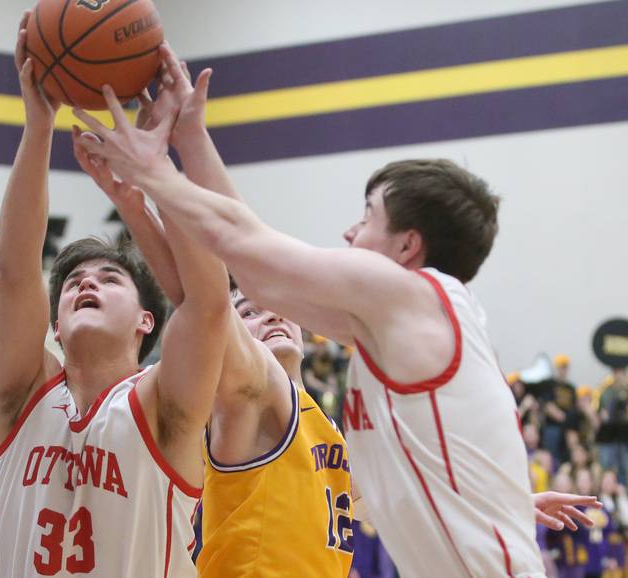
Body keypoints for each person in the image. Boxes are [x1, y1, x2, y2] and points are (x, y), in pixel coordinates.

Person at [73, 44, 600, 578]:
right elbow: (248, 280)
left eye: (367, 215)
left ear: (406, 247)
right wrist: (188, 138)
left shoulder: (409, 296)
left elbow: (247, 257)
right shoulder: (394, 337)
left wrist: (151, 170)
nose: (350, 231)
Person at [74, 65, 354, 572]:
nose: (269, 313)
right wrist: (152, 184)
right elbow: (206, 300)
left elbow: (352, 506)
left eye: (274, 309)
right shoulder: (251, 393)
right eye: (250, 311)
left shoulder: (321, 422)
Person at [0, 13, 230, 577]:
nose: (86, 283)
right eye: (72, 284)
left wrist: (155, 167)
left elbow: (207, 303)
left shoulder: (162, 402)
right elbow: (17, 271)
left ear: (147, 321)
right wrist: (38, 125)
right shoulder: (22, 397)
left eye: (109, 279)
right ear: (54, 324)